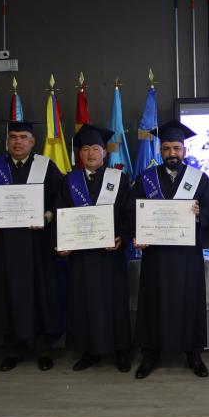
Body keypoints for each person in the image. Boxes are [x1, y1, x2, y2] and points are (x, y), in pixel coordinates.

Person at [131, 120, 209, 379]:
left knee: (189, 300)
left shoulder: (198, 178)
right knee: (153, 301)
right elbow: (133, 211)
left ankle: (193, 353)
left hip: (186, 255)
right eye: (167, 148)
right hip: (156, 255)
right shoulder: (146, 178)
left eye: (177, 148)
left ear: (184, 150)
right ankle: (150, 354)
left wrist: (201, 212)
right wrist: (138, 235)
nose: (172, 153)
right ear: (160, 151)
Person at [0, 120, 64, 372]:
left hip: (37, 243)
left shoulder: (45, 166)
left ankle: (42, 348)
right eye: (13, 137)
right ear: (7, 141)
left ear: (33, 141)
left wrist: (47, 217)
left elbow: (62, 198)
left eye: (23, 137)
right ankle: (14, 349)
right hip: (6, 244)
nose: (18, 141)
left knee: (39, 292)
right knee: (9, 292)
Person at [55, 124, 132, 373]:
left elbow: (128, 214)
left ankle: (121, 351)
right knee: (84, 301)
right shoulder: (69, 181)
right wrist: (61, 242)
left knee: (115, 302)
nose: (90, 153)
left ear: (104, 153)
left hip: (111, 255)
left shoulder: (119, 179)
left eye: (95, 148)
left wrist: (121, 236)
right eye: (85, 149)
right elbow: (60, 215)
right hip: (82, 257)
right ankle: (89, 351)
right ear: (79, 154)